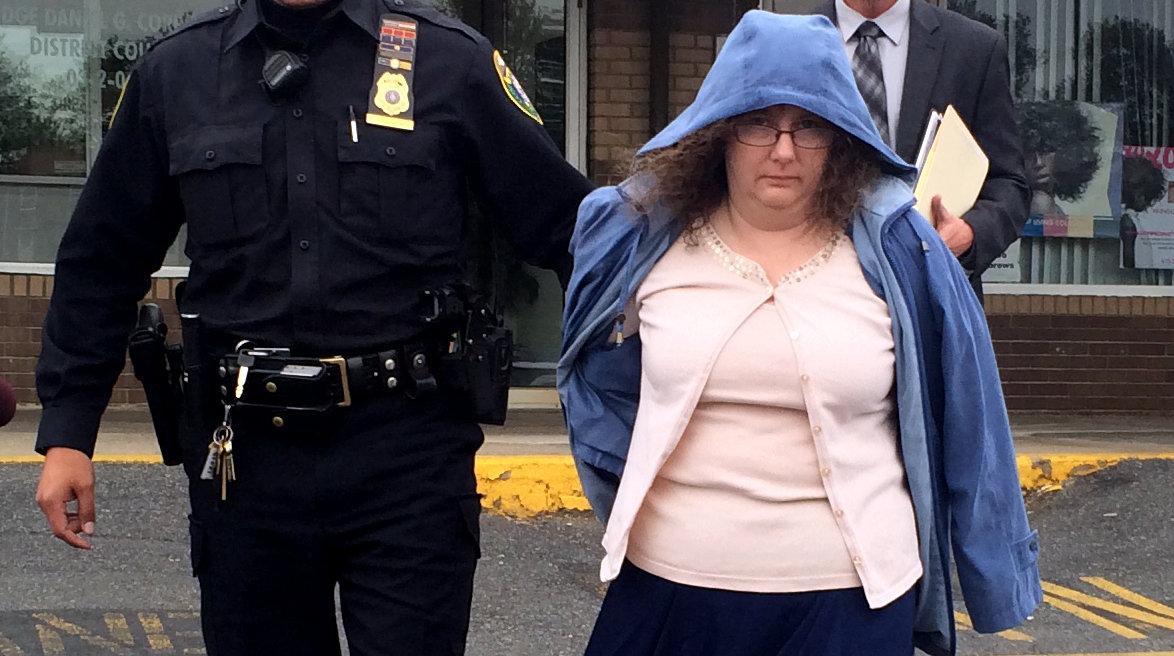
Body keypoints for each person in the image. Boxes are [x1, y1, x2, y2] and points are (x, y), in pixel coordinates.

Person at [32, 0, 593, 654]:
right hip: (246, 463)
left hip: (407, 454)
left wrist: (628, 393)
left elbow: (573, 231)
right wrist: (68, 430)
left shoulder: (447, 61)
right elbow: (102, 260)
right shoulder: (177, 70)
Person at [557, 11, 1040, 656]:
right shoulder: (640, 240)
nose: (783, 150)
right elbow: (594, 383)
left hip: (851, 606)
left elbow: (969, 417)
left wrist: (994, 567)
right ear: (720, 129)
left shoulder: (903, 252)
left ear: (840, 137)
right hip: (665, 590)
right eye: (759, 122)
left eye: (809, 126)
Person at [812, 0, 1031, 299]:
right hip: (810, 293)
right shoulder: (787, 44)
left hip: (929, 297)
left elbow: (1008, 183)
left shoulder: (973, 48)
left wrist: (969, 233)